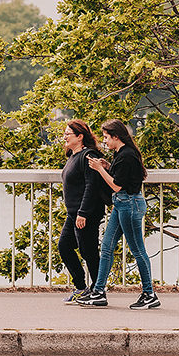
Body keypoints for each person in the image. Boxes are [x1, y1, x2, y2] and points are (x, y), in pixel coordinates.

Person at [76, 120, 160, 309]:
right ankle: (98, 292)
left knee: (138, 250)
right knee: (106, 247)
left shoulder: (127, 156)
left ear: (116, 136)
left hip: (129, 205)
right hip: (122, 204)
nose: (104, 141)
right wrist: (106, 166)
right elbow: (120, 177)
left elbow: (116, 185)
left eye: (106, 137)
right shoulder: (121, 154)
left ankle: (149, 294)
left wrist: (99, 169)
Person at [58, 119, 106, 302]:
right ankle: (81, 287)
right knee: (65, 246)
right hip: (74, 213)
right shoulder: (73, 156)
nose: (64, 137)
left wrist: (83, 213)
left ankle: (98, 290)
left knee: (89, 251)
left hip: (85, 213)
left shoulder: (88, 155)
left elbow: (91, 185)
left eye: (68, 134)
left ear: (80, 136)